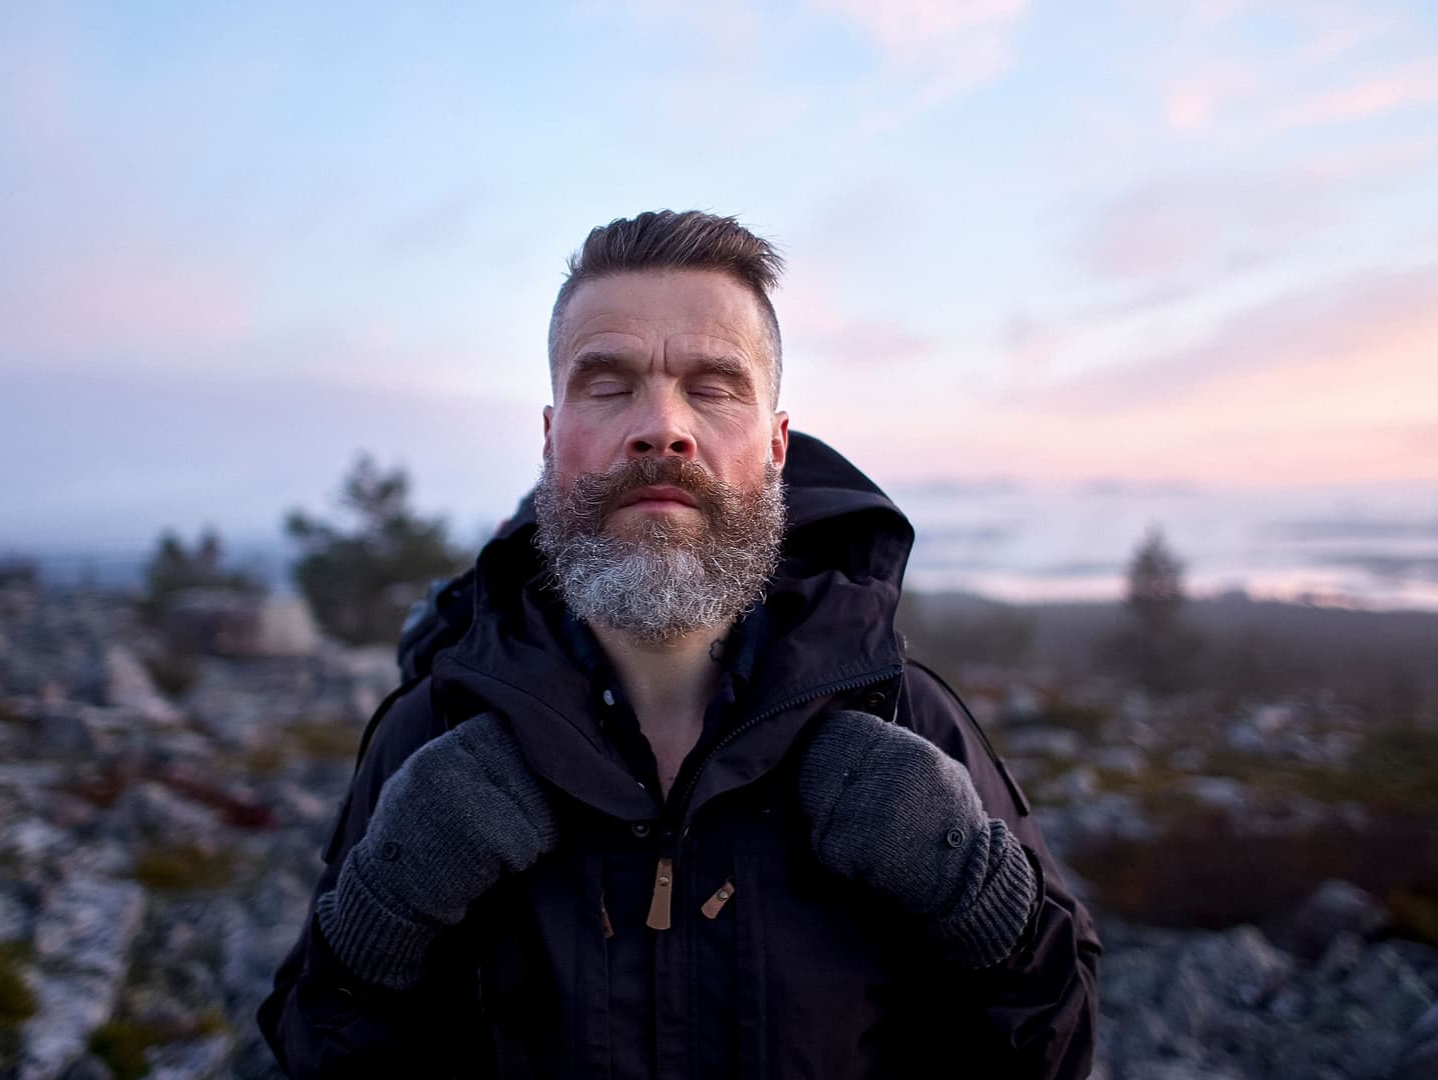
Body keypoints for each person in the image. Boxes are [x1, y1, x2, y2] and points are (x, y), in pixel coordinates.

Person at [258, 210, 1101, 1078]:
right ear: (550, 439)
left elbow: (1056, 1050)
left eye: (712, 387)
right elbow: (315, 1048)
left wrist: (980, 901)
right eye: (608, 384)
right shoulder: (436, 731)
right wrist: (382, 921)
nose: (662, 427)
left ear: (776, 447)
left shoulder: (905, 717)